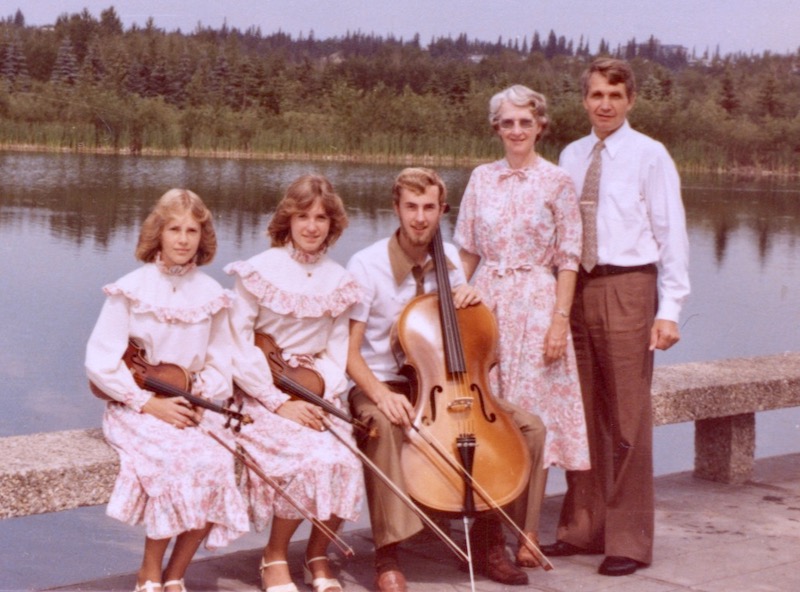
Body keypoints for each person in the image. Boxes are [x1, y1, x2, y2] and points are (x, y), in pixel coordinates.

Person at [346, 167, 547, 592]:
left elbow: (465, 336)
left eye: (429, 209)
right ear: (396, 208)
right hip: (384, 383)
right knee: (381, 425)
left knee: (529, 426)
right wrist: (380, 394)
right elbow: (348, 354)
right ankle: (388, 555)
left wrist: (471, 299)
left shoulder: (451, 260)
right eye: (411, 207)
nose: (420, 218)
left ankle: (492, 540)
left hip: (447, 383)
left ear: (442, 210)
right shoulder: (366, 266)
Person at [541, 57, 690, 577]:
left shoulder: (651, 156)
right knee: (579, 413)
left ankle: (627, 540)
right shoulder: (571, 155)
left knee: (627, 417)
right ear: (584, 100)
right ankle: (583, 528)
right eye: (596, 95)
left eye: (615, 95)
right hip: (575, 287)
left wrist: (669, 310)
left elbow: (672, 236)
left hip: (628, 286)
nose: (605, 104)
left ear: (630, 101)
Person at [85, 189, 249, 592]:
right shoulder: (130, 288)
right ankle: (149, 573)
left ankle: (176, 574)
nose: (183, 239)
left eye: (192, 230)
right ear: (158, 233)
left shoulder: (213, 293)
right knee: (176, 461)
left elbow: (221, 364)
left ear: (202, 236)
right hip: (137, 408)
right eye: (174, 228)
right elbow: (100, 362)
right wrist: (149, 404)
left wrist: (198, 395)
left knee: (216, 462)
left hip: (192, 404)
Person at [454, 84, 591, 563]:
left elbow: (569, 259)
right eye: (507, 122)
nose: (516, 130)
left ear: (540, 126)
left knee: (536, 418)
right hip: (487, 303)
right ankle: (491, 529)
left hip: (536, 302)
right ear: (496, 128)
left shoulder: (557, 182)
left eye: (525, 122)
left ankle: (529, 535)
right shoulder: (481, 178)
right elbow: (466, 249)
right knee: (490, 410)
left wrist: (559, 321)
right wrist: (452, 298)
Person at [226, 174, 363, 592]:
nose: (311, 226)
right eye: (302, 216)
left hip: (315, 391)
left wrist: (319, 392)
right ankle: (273, 557)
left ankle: (317, 554)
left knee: (347, 458)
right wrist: (277, 400)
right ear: (287, 219)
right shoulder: (259, 270)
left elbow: (337, 349)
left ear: (332, 224)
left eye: (321, 217)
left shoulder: (339, 279)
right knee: (309, 458)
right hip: (261, 393)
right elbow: (236, 343)